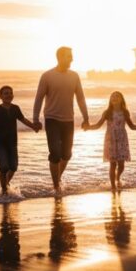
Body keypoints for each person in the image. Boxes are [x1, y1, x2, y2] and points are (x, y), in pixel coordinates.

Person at [33, 46, 90, 194]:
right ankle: (56, 186)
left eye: (71, 56)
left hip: (68, 120)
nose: (71, 59)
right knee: (55, 154)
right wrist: (35, 119)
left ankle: (57, 179)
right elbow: (39, 98)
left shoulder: (74, 76)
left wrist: (86, 118)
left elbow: (81, 98)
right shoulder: (47, 76)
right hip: (52, 119)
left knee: (67, 154)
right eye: (68, 56)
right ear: (60, 57)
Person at [0, 85, 39, 195]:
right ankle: (4, 191)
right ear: (0, 96)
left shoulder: (15, 108)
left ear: (13, 95)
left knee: (13, 167)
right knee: (4, 166)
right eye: (5, 93)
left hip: (12, 143)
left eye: (10, 93)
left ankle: (5, 185)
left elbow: (23, 120)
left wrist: (33, 126)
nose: (8, 95)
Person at [85, 91, 136, 191]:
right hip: (110, 139)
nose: (114, 98)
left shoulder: (125, 112)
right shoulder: (107, 112)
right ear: (110, 100)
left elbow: (131, 126)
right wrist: (89, 127)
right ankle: (113, 186)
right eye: (112, 96)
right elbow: (98, 125)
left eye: (117, 96)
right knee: (112, 164)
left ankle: (118, 177)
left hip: (122, 139)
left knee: (121, 165)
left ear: (121, 99)